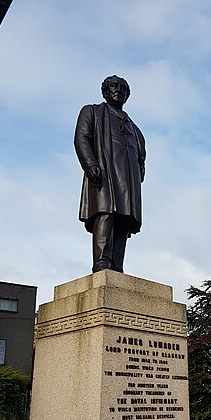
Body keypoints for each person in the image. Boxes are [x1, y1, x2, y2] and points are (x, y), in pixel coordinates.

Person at [74, 75, 146, 273]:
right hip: (105, 172)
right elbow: (81, 138)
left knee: (124, 220)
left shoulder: (135, 129)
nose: (119, 90)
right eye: (114, 86)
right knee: (105, 214)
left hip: (128, 179)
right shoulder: (92, 112)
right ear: (105, 90)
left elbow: (141, 158)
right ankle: (102, 263)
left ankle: (117, 267)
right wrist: (90, 164)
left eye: (123, 88)